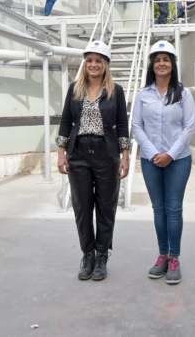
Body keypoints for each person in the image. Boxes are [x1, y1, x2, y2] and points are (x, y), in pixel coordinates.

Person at [57, 40, 131, 281]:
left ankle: (102, 254)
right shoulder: (74, 89)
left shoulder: (115, 91)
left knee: (106, 207)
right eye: (89, 60)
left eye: (99, 60)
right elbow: (66, 122)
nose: (93, 64)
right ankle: (87, 254)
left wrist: (126, 156)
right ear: (85, 63)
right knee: (82, 207)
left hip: (106, 153)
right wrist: (61, 152)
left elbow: (121, 125)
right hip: (78, 153)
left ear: (106, 64)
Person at [132, 41, 195, 285]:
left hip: (178, 160)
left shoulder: (183, 93)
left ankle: (175, 258)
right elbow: (137, 126)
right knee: (158, 209)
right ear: (152, 65)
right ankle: (163, 256)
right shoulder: (143, 94)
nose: (161, 64)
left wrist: (170, 153)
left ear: (172, 64)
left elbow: (189, 128)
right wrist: (152, 152)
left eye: (166, 59)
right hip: (150, 160)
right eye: (157, 59)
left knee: (174, 208)